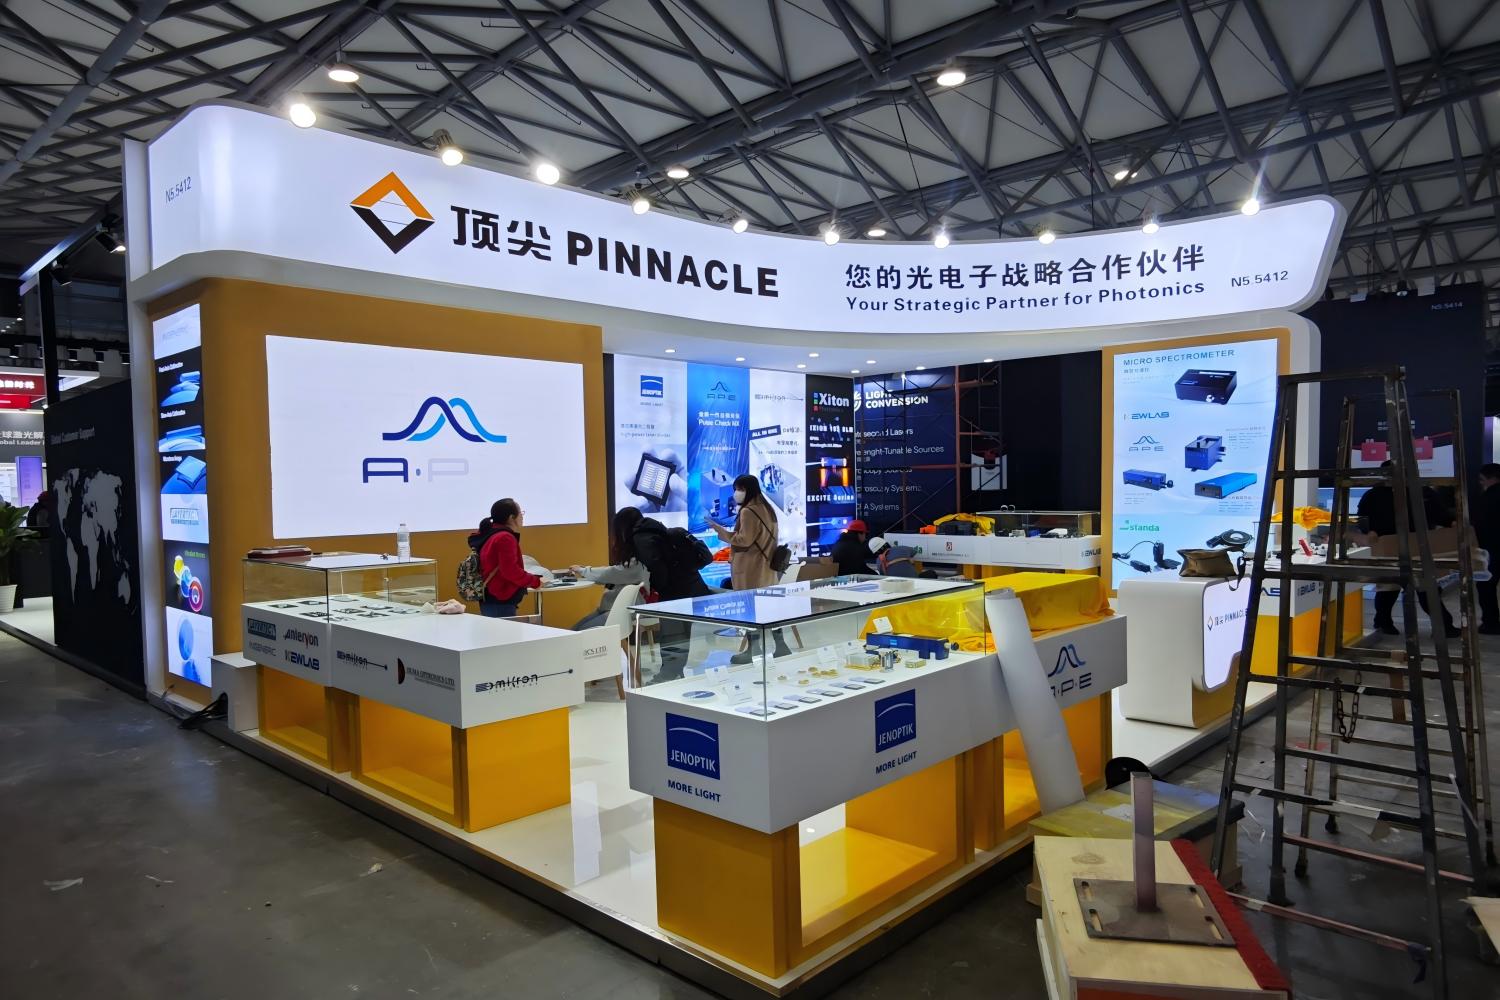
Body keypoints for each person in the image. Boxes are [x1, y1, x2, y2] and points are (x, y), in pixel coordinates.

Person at [1357, 460, 1458, 636]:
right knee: (1389, 589)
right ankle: (1383, 623)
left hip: (1419, 545)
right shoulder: (1374, 494)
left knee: (1427, 588)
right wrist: (1369, 530)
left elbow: (1439, 513)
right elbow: (1363, 518)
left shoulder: (1422, 491)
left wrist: (1451, 522)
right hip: (1388, 546)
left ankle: (1443, 626)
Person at [569, 509, 651, 630]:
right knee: (574, 631)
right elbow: (614, 572)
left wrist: (583, 571)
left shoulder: (637, 563)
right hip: (613, 608)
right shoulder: (637, 557)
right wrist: (584, 571)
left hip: (624, 612)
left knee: (578, 633)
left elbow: (611, 573)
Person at [467, 498, 541, 618]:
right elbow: (510, 571)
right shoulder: (505, 538)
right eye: (520, 513)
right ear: (511, 517)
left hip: (491, 598)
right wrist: (535, 581)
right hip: (500, 599)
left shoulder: (491, 534)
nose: (522, 516)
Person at [707, 474, 779, 590]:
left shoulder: (748, 511)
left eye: (740, 489)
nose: (736, 493)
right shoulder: (767, 508)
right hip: (767, 566)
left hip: (751, 568)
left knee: (748, 600)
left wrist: (721, 531)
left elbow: (744, 540)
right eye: (736, 489)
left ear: (750, 490)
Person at [1475, 463, 1500, 634]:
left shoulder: (1487, 499)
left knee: (1486, 586)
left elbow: (1480, 525)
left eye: (1482, 479)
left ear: (1491, 478)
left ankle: (1490, 623)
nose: (1481, 483)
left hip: (1491, 550)